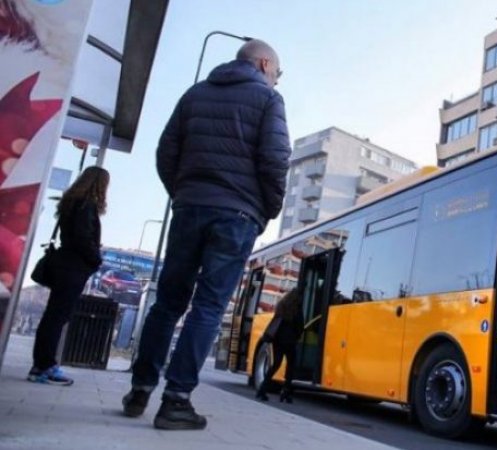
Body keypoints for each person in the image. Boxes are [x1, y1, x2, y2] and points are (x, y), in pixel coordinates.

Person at [122, 39, 291, 430]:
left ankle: (140, 389)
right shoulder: (268, 100)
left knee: (167, 303)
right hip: (236, 215)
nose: (277, 81)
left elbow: (166, 152)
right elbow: (276, 159)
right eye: (278, 74)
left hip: (189, 209)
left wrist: (184, 193)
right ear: (265, 64)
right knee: (209, 306)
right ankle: (176, 401)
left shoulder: (194, 94)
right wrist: (265, 208)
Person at [28, 166, 108, 385]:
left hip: (63, 263)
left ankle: (41, 364)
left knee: (53, 316)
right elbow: (83, 238)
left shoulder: (70, 203)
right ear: (99, 184)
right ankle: (44, 366)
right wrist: (96, 258)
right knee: (57, 317)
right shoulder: (87, 206)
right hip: (73, 267)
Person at [255, 289, 304, 403]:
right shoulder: (297, 308)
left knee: (275, 364)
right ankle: (285, 392)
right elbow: (300, 325)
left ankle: (262, 390)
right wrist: (297, 336)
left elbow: (275, 321)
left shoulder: (281, 306)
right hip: (290, 341)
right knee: (291, 366)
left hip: (277, 339)